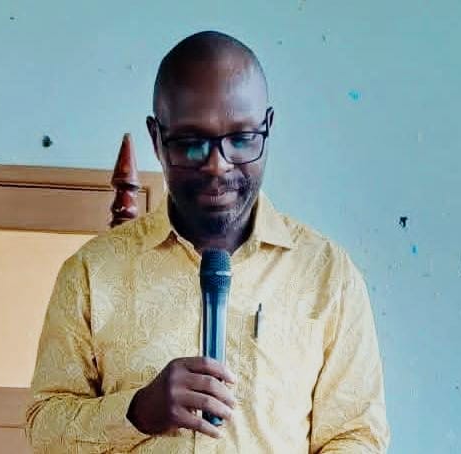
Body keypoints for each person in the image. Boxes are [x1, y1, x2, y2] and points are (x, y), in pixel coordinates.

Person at [26, 30, 389, 453]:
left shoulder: (327, 275)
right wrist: (136, 412)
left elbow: (357, 435)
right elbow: (44, 430)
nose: (218, 166)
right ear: (156, 138)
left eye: (241, 139)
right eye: (191, 144)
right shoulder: (92, 273)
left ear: (268, 127)